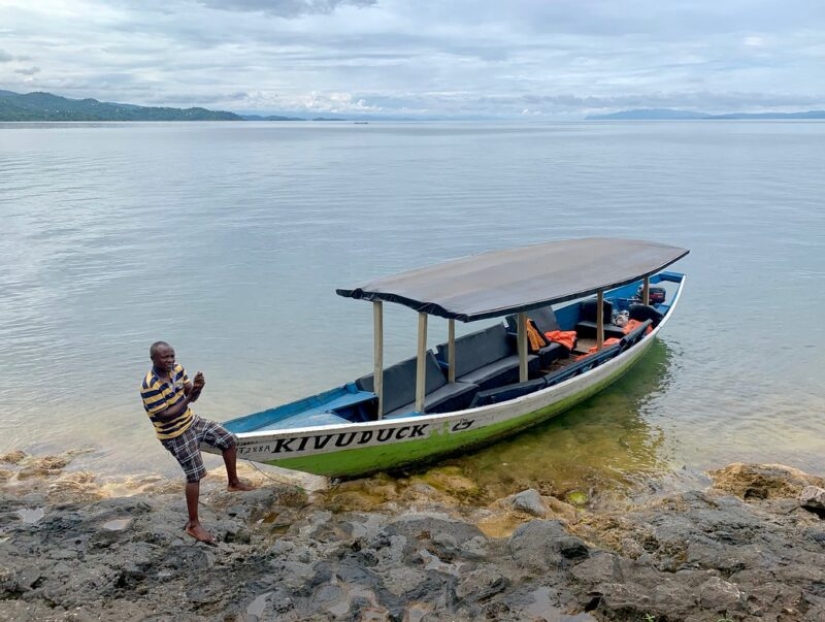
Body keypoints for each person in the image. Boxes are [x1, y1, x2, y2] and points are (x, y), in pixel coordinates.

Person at [140, 341, 253, 543]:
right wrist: (189, 398)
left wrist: (198, 388)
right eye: (165, 357)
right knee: (195, 475)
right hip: (174, 433)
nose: (170, 360)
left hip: (191, 421)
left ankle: (233, 483)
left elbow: (191, 395)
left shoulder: (177, 369)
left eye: (172, 356)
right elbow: (165, 415)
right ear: (153, 360)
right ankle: (193, 525)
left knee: (228, 440)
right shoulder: (150, 386)